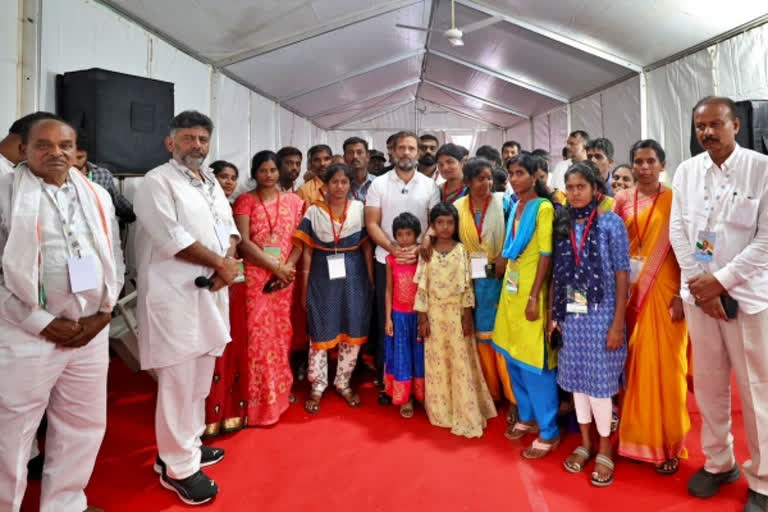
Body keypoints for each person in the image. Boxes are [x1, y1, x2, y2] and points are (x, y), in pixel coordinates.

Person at [0, 116, 123, 512]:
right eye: (44, 145)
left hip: (90, 332)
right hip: (27, 333)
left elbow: (115, 258)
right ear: (23, 150)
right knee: (12, 432)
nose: (56, 153)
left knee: (82, 426)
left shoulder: (96, 195)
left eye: (65, 145)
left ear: (76, 150)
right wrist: (42, 322)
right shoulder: (4, 193)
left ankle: (66, 505)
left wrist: (106, 312)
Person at [134, 111, 239, 505]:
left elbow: (229, 227)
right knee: (178, 382)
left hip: (211, 290)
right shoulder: (155, 182)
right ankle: (176, 467)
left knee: (199, 377)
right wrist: (221, 265)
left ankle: (189, 445)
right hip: (174, 295)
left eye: (202, 139)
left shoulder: (209, 179)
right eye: (189, 138)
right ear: (170, 143)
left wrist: (226, 263)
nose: (197, 145)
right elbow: (172, 238)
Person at [670, 96, 768, 511]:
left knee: (757, 391)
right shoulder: (687, 171)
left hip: (747, 298)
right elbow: (678, 230)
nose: (707, 133)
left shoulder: (761, 169)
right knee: (709, 385)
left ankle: (763, 481)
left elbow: (765, 241)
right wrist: (700, 286)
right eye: (700, 127)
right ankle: (718, 461)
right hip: (699, 297)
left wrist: (721, 282)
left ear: (736, 126)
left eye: (715, 124)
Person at [613, 139, 690, 474]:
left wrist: (683, 293)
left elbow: (688, 248)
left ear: (663, 164)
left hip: (666, 290)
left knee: (668, 368)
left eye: (650, 161)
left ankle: (670, 443)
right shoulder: (620, 200)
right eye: (638, 161)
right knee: (633, 366)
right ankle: (636, 439)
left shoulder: (676, 200)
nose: (643, 167)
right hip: (629, 294)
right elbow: (613, 246)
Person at [551, 162, 630, 487]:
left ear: (596, 189)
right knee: (578, 383)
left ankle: (606, 447)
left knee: (600, 388)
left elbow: (622, 273)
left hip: (604, 314)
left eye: (581, 186)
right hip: (573, 315)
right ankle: (585, 443)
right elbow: (559, 271)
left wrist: (617, 324)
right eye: (570, 187)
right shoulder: (563, 222)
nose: (575, 193)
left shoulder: (612, 223)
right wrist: (555, 316)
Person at [366, 130, 440, 404]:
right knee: (390, 324)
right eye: (401, 148)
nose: (406, 153)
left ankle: (422, 384)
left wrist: (421, 248)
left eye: (411, 148)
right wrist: (393, 249)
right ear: (392, 152)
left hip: (422, 262)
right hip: (388, 260)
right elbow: (372, 222)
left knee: (421, 323)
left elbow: (434, 220)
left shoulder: (430, 185)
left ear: (418, 153)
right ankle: (392, 385)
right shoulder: (379, 184)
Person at [493, 153, 560, 458]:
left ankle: (549, 431)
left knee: (535, 364)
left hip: (532, 293)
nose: (514, 178)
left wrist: (535, 297)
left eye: (520, 173)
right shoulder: (516, 205)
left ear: (535, 177)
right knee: (513, 358)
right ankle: (527, 417)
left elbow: (546, 254)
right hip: (511, 291)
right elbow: (511, 252)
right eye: (511, 173)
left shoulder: (543, 208)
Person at [295, 163, 374, 413]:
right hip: (322, 274)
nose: (339, 187)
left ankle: (343, 382)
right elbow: (306, 251)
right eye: (334, 182)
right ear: (325, 185)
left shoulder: (360, 210)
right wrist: (304, 286)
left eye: (344, 182)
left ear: (350, 185)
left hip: (354, 274)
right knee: (320, 327)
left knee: (353, 325)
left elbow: (367, 248)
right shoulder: (313, 212)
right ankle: (317, 384)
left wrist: (371, 280)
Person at [233, 150, 304, 426]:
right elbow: (243, 242)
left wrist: (286, 268)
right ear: (255, 173)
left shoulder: (295, 202)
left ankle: (280, 394)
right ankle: (255, 402)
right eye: (263, 170)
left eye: (273, 170)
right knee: (256, 340)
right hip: (255, 278)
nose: (269, 175)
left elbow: (300, 239)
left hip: (285, 278)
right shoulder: (245, 201)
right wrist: (275, 268)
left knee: (281, 335)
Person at [414, 202, 496, 437]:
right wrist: (422, 319)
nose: (445, 227)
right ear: (433, 225)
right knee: (438, 362)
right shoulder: (426, 252)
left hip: (457, 314)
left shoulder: (461, 250)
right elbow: (422, 288)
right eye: (440, 222)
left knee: (460, 362)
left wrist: (467, 316)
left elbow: (466, 286)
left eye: (450, 223)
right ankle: (442, 411)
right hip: (434, 315)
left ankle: (465, 410)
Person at [450, 159, 514, 409]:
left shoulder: (504, 203)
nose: (486, 183)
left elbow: (514, 233)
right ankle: (491, 394)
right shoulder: (456, 207)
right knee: (480, 339)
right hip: (471, 279)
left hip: (500, 276)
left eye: (489, 178)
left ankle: (512, 398)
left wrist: (505, 256)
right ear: (467, 182)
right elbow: (444, 233)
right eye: (480, 179)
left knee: (503, 339)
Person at [203, 160, 248, 438]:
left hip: (237, 280)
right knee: (211, 344)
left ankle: (232, 410)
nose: (228, 182)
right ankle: (207, 414)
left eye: (233, 177)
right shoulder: (202, 209)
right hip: (209, 279)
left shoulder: (234, 209)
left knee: (234, 344)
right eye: (222, 176)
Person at [383, 212, 424, 417]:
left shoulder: (422, 258)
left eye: (409, 234)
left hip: (418, 315)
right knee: (402, 356)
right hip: (399, 316)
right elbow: (389, 290)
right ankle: (404, 398)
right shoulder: (391, 259)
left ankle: (421, 394)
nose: (404, 239)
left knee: (420, 355)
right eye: (400, 234)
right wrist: (388, 318)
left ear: (417, 235)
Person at [72, 133, 136, 223]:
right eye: (70, 158)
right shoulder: (57, 177)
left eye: (79, 157)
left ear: (87, 155)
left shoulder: (102, 174)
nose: (74, 162)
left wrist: (135, 215)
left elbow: (118, 202)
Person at [343, 137, 374, 202]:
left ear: (367, 157)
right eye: (350, 153)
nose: (355, 156)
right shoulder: (340, 186)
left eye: (359, 152)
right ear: (344, 158)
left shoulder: (378, 183)